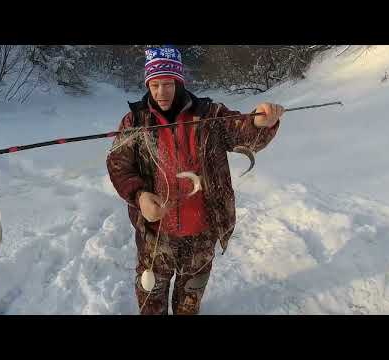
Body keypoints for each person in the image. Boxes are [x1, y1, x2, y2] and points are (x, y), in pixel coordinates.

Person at [106, 46, 284, 315]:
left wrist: (261, 122)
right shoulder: (134, 121)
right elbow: (118, 165)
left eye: (167, 84)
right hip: (155, 238)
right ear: (147, 84)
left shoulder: (210, 115)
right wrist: (139, 195)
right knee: (150, 304)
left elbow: (243, 133)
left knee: (188, 306)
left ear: (179, 81)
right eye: (154, 84)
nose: (161, 92)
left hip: (201, 236)